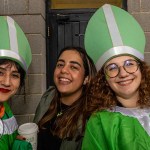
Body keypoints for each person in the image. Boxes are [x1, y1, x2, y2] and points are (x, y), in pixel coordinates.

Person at [81, 4, 150, 150]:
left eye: (129, 63)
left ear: (142, 69)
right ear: (104, 79)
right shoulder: (99, 123)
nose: (123, 73)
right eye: (112, 68)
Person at [33, 46, 97, 150]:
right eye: (60, 65)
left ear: (86, 79)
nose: (63, 70)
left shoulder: (91, 117)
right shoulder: (48, 97)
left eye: (73, 67)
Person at [0, 16, 32, 149]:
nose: (7, 82)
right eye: (0, 72)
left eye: (14, 75)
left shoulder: (5, 109)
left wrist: (14, 140)